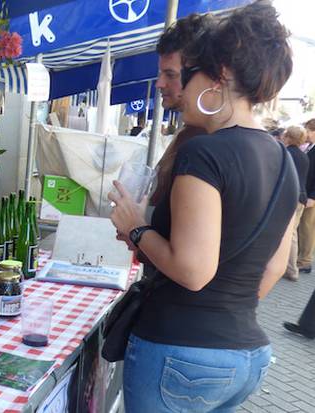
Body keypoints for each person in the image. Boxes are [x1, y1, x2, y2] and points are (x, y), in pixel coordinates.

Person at [109, 2, 298, 412]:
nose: (179, 90)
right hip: (245, 354)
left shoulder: (206, 154)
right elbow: (274, 267)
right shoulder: (285, 160)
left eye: (186, 77)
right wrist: (223, 316)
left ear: (219, 76)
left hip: (178, 349)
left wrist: (137, 228)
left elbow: (194, 271)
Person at [149, 13, 214, 206]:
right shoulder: (190, 132)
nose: (159, 83)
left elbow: (186, 237)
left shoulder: (205, 146)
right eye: (161, 73)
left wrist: (135, 227)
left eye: (170, 75)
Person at [282, 126, 309, 281]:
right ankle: (291, 269)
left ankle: (291, 270)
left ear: (288, 137)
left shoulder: (286, 154)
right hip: (301, 198)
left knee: (288, 234)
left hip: (290, 198)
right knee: (292, 234)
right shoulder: (303, 155)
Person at [296, 119, 315, 273]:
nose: (306, 133)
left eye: (308, 130)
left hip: (310, 195)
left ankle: (305, 261)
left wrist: (313, 197)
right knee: (302, 227)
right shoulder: (310, 147)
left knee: (307, 228)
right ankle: (300, 258)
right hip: (305, 193)